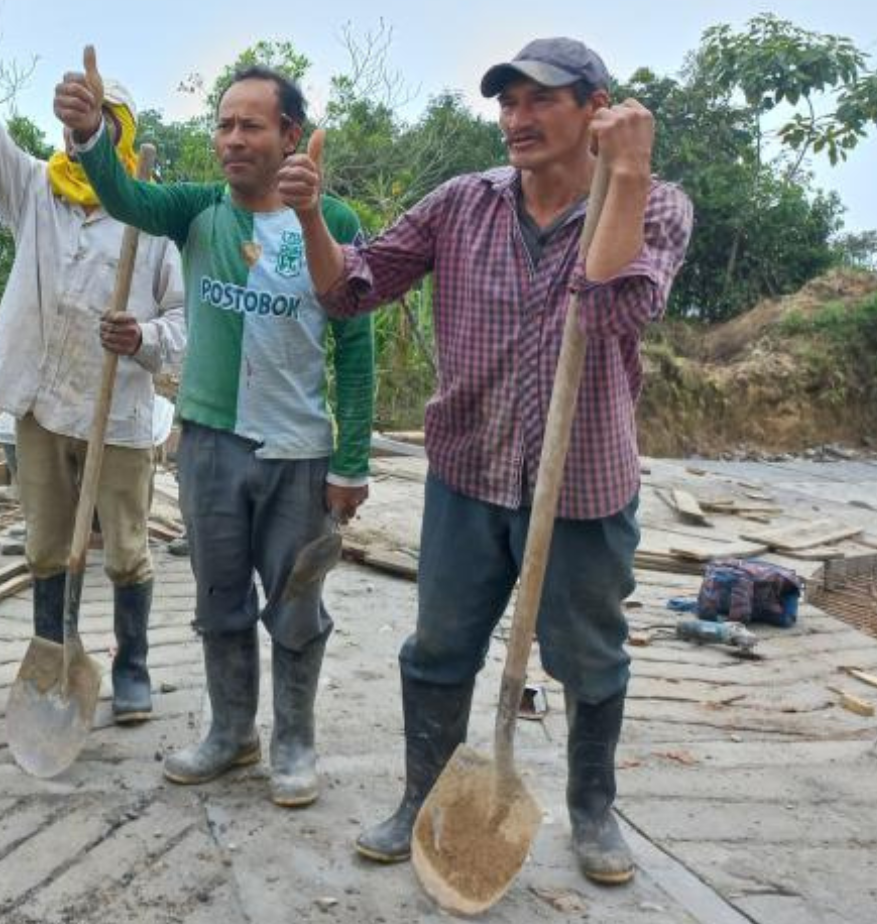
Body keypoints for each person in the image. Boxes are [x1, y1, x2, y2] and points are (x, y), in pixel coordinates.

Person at [317, 39, 694, 883]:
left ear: (597, 108)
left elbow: (606, 313)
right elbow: (354, 288)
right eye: (507, 103)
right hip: (469, 472)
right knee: (440, 646)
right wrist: (312, 221)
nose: (516, 121)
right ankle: (423, 794)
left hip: (584, 485)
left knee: (588, 654)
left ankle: (592, 812)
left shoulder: (658, 204)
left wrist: (624, 180)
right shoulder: (463, 203)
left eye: (539, 102)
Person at [56, 60, 375, 806]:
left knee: (296, 604)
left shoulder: (337, 222)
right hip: (208, 445)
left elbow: (357, 346)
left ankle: (294, 739)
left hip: (298, 453)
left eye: (251, 125)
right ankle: (234, 733)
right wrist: (90, 135)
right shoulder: (199, 210)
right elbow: (125, 195)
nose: (232, 139)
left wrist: (352, 461)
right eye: (224, 124)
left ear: (290, 135)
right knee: (218, 598)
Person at [0, 0, 186, 724]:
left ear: (121, 133)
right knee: (46, 547)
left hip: (117, 415)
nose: (75, 137)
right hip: (40, 404)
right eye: (71, 124)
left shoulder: (150, 217)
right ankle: (52, 660)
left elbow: (188, 325)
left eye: (95, 124)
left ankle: (133, 669)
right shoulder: (36, 190)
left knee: (125, 549)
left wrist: (145, 339)